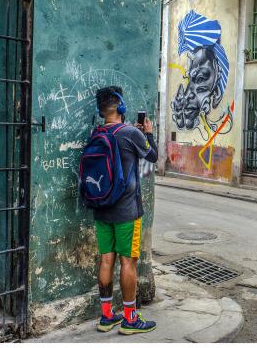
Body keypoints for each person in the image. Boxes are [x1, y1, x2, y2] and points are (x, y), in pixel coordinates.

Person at [92, 86, 158, 334]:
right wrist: (148, 133)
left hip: (101, 208)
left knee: (106, 259)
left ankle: (107, 316)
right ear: (121, 107)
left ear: (102, 110)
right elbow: (153, 156)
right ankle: (130, 318)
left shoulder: (96, 133)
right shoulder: (131, 133)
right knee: (128, 262)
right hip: (127, 211)